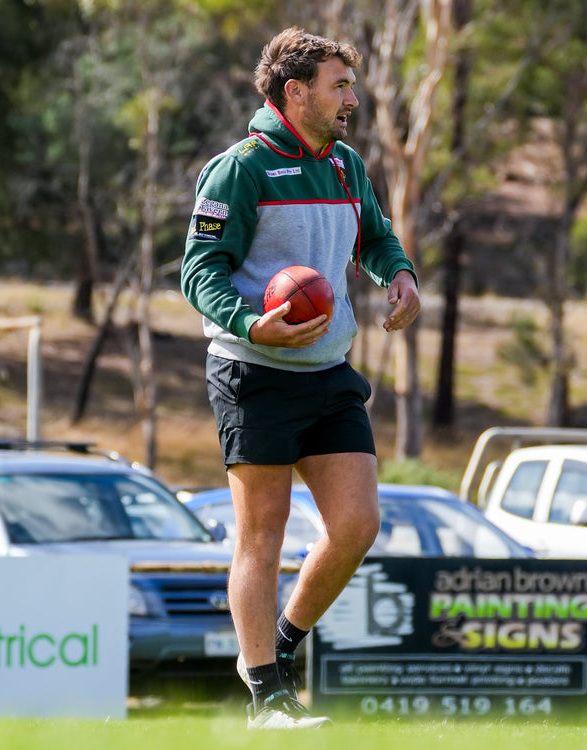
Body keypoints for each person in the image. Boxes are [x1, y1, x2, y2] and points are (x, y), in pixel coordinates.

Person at [181, 26, 420, 729]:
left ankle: (275, 649)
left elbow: (375, 238)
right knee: (263, 534)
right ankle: (267, 698)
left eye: (350, 83)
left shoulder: (346, 166)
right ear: (297, 92)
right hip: (252, 370)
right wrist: (253, 323)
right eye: (339, 85)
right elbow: (199, 271)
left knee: (356, 525)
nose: (352, 97)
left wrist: (398, 275)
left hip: (329, 371)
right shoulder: (240, 169)